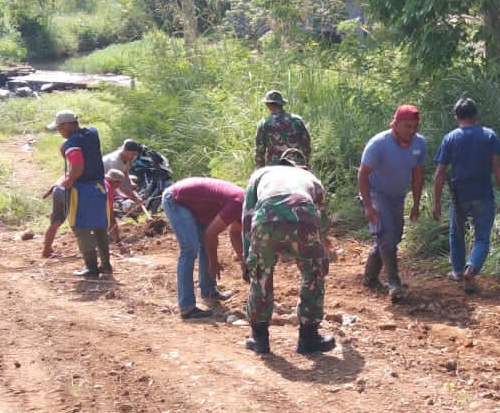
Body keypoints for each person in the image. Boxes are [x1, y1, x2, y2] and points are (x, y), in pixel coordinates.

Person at [240, 153, 336, 356]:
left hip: (266, 221)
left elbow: (247, 216)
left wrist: (247, 256)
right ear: (302, 167)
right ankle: (308, 340)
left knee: (261, 277)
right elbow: (324, 220)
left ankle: (260, 339)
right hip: (304, 219)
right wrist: (321, 255)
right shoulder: (311, 178)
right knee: (312, 276)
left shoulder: (261, 173)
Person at [430, 97, 500, 293]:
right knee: (482, 237)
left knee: (456, 233)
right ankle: (471, 268)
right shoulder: (488, 135)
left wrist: (436, 201)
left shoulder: (450, 138)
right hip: (483, 194)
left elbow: (440, 173)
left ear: (456, 117)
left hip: (459, 196)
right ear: (476, 115)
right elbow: (498, 167)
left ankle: (458, 271)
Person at [357, 105, 427, 298]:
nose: (411, 131)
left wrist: (415, 204)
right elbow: (362, 174)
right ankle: (394, 283)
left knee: (393, 237)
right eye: (407, 127)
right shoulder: (378, 144)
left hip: (397, 197)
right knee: (387, 237)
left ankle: (370, 278)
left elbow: (418, 175)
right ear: (395, 124)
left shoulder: (419, 144)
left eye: (415, 127)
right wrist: (368, 205)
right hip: (376, 193)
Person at [40, 110, 113, 279]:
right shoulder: (92, 133)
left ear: (67, 125)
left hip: (83, 191)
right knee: (100, 227)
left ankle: (92, 268)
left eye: (60, 127)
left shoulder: (71, 144)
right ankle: (106, 266)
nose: (59, 131)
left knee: (81, 228)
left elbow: (78, 168)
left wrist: (67, 181)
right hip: (100, 187)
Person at [162, 177, 244, 319]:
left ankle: (208, 291)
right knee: (189, 249)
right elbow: (211, 234)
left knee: (208, 246)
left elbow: (235, 233)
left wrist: (244, 262)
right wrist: (213, 262)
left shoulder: (246, 207)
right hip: (176, 199)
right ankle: (186, 307)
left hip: (198, 205)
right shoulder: (238, 203)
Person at [254, 90, 312, 168]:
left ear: (268, 105)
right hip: (296, 164)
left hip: (274, 167)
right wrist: (305, 164)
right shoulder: (297, 120)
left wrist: (260, 170)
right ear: (282, 104)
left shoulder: (264, 124)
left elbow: (260, 152)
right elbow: (306, 145)